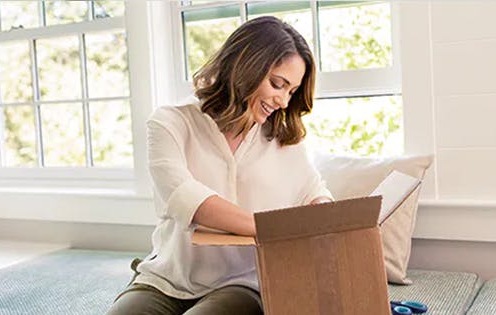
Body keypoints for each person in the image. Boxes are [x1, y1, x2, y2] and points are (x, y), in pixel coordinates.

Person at [107, 16, 332, 315]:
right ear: (245, 66)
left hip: (243, 284)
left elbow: (313, 192)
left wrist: (327, 216)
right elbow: (186, 199)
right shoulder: (171, 122)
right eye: (277, 84)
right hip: (167, 279)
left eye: (291, 91)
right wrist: (274, 229)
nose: (282, 100)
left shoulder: (283, 137)